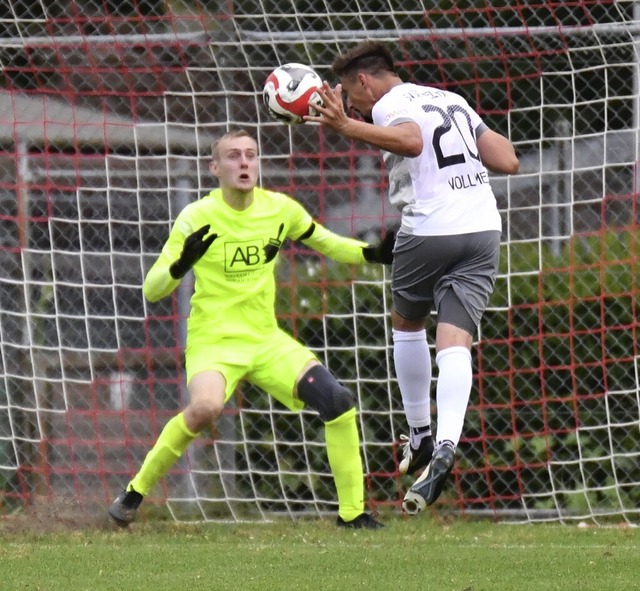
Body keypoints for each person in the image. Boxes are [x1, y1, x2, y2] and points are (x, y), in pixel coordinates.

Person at [108, 129, 394, 529]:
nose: (244, 162)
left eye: (251, 155)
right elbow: (152, 289)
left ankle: (353, 514)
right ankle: (135, 492)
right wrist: (178, 265)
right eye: (233, 156)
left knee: (338, 400)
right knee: (205, 408)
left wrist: (371, 254)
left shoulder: (280, 209)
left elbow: (327, 243)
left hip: (266, 340)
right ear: (215, 168)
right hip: (214, 343)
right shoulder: (196, 217)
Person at [306, 41, 519, 514]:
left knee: (406, 326)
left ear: (363, 81)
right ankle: (446, 446)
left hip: (429, 228)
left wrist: (347, 125)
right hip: (482, 228)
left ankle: (420, 435)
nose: (350, 104)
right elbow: (508, 160)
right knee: (455, 343)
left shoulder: (388, 105)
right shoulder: (451, 100)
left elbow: (412, 141)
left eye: (348, 94)